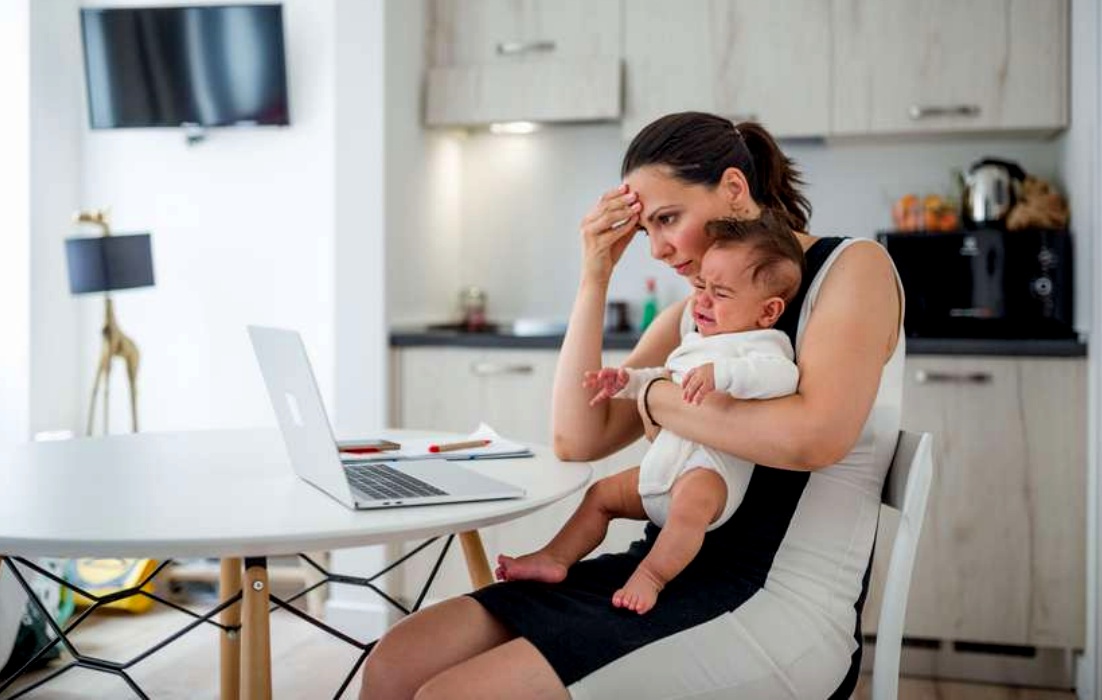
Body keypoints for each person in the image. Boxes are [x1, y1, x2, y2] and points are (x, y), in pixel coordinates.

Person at [359, 111, 904, 700]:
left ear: (734, 189)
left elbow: (812, 439)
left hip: (779, 600)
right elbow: (579, 437)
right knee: (397, 661)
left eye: (669, 219)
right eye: (647, 231)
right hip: (659, 571)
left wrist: (651, 394)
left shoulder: (852, 270)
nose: (660, 249)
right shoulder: (691, 315)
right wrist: (595, 274)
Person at [495, 212, 805, 616]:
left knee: (688, 510)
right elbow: (665, 377)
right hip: (664, 468)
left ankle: (652, 576)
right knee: (602, 495)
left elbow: (782, 377)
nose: (703, 301)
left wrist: (725, 374)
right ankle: (554, 557)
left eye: (722, 293)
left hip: (710, 475)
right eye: (701, 286)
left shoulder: (763, 344)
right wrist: (626, 382)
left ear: (768, 311)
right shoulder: (696, 338)